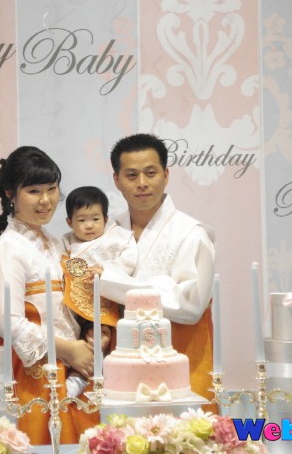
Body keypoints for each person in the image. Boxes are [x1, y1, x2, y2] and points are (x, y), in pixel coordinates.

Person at [0, 146, 98, 445]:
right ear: (10, 194)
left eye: (52, 189)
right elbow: (7, 323)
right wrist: (68, 349)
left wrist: (88, 335)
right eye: (34, 191)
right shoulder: (9, 249)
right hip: (31, 372)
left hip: (73, 368)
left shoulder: (56, 243)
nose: (46, 200)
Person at [97, 133, 217, 411]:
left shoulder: (192, 233)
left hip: (183, 358)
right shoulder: (108, 231)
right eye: (131, 175)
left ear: (166, 174)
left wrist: (110, 283)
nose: (142, 183)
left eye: (150, 173)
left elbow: (190, 306)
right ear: (116, 180)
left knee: (187, 433)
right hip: (122, 363)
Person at [60, 186, 136, 397]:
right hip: (74, 304)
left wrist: (107, 270)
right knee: (76, 340)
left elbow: (130, 260)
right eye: (82, 220)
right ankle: (76, 374)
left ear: (106, 219)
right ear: (69, 222)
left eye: (95, 219)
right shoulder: (66, 242)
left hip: (103, 302)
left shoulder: (115, 238)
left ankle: (80, 378)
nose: (89, 225)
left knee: (98, 338)